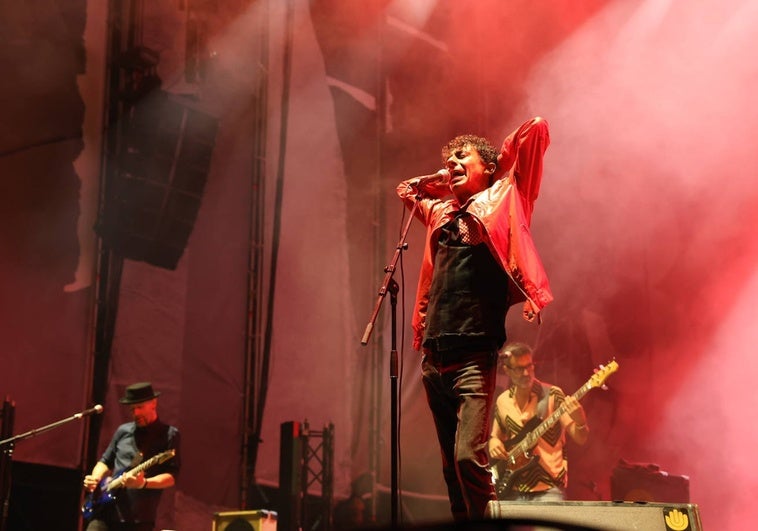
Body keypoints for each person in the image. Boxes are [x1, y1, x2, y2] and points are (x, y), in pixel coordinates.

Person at [396, 117, 552, 521]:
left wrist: (497, 163)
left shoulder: (508, 195)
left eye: (462, 157)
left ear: (487, 166)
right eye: (449, 161)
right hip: (434, 355)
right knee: (451, 468)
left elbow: (535, 128)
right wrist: (444, 176)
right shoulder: (441, 213)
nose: (452, 164)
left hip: (473, 355)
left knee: (468, 457)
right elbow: (406, 190)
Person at [488, 342, 588, 501]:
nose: (527, 373)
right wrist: (493, 443)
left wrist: (581, 421)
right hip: (512, 487)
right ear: (507, 370)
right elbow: (495, 436)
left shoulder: (553, 394)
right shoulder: (503, 400)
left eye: (529, 366)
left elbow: (580, 438)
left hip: (549, 488)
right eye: (520, 369)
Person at [83, 382, 180, 531]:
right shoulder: (123, 431)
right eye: (132, 409)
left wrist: (144, 483)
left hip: (138, 518)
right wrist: (95, 479)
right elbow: (105, 462)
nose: (135, 414)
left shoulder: (169, 435)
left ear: (153, 403)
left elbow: (171, 477)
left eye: (140, 407)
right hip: (105, 512)